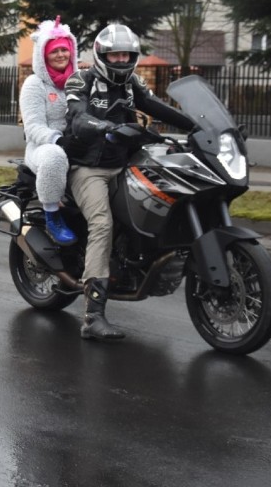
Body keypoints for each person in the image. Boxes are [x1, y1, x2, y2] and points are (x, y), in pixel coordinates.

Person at [63, 23, 195, 340]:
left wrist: (198, 126)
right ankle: (93, 317)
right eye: (115, 55)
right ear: (101, 55)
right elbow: (77, 118)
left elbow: (158, 107)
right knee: (102, 224)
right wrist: (105, 128)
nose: (121, 60)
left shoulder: (132, 83)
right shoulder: (82, 79)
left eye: (126, 55)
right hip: (88, 168)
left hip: (125, 164)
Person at [19, 16, 79, 245]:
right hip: (42, 148)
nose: (61, 55)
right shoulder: (35, 84)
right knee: (54, 157)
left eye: (65, 50)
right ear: (43, 55)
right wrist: (58, 140)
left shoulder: (78, 81)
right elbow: (33, 127)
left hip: (77, 146)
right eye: (54, 51)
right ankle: (52, 216)